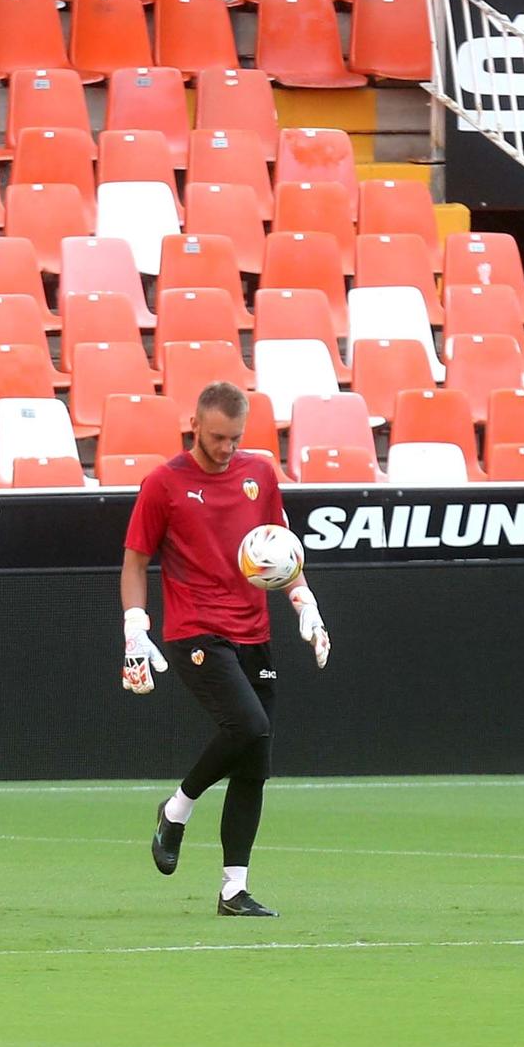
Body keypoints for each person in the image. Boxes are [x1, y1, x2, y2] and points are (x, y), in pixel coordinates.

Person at [120, 381, 332, 917]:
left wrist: (305, 602)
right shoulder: (163, 483)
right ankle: (177, 808)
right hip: (195, 630)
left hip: (253, 631)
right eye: (217, 438)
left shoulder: (260, 473)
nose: (227, 448)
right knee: (250, 726)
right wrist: (134, 629)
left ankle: (233, 890)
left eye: (235, 438)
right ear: (195, 426)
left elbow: (279, 552)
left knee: (254, 764)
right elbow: (134, 560)